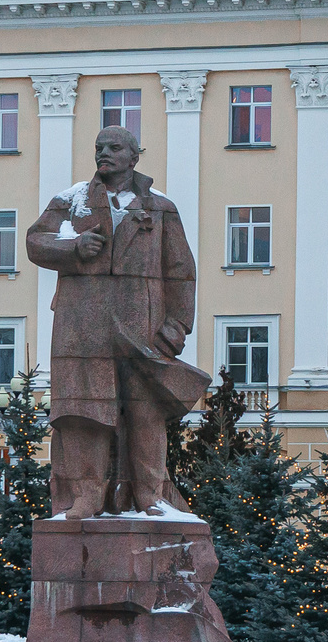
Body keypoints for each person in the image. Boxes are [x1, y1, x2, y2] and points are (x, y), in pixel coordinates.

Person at [24, 124, 208, 517]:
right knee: (84, 413)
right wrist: (73, 246)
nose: (103, 153)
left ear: (134, 156)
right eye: (99, 146)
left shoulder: (160, 207)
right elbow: (36, 241)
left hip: (141, 328)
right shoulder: (72, 201)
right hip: (81, 328)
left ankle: (150, 495)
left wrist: (176, 327)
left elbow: (181, 270)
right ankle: (86, 497)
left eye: (114, 147)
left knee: (144, 412)